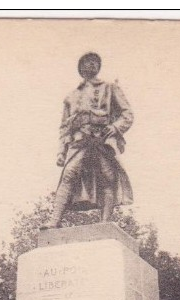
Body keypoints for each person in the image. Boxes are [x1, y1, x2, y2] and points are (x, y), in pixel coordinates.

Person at [47, 53, 134, 229]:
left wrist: (115, 128)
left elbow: (127, 114)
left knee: (107, 178)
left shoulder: (109, 88)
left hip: (102, 140)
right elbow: (64, 128)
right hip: (79, 142)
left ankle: (105, 223)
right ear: (80, 67)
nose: (91, 65)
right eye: (87, 62)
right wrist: (61, 151)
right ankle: (54, 221)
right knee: (68, 175)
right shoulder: (71, 96)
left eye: (95, 62)